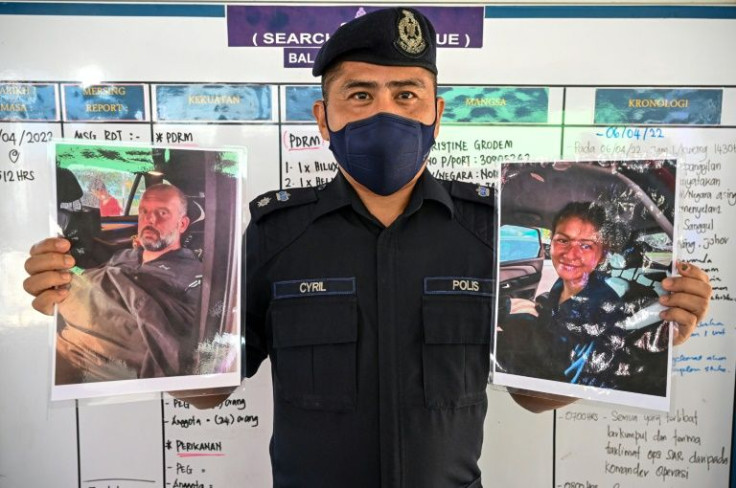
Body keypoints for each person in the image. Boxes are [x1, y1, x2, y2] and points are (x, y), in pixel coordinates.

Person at [24, 8, 712, 487]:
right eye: (360, 94)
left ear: (436, 112)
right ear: (324, 117)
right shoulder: (273, 237)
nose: (386, 112)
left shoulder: (482, 234)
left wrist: (657, 335)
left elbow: (534, 398)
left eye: (407, 93)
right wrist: (78, 303)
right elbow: (210, 392)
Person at [498, 201, 671, 394]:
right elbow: (554, 313)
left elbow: (560, 372)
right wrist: (533, 307)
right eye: (563, 241)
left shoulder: (604, 306)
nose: (571, 254)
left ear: (602, 256)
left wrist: (514, 324)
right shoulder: (560, 286)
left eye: (586, 246)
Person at [46, 183, 203, 383]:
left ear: (182, 224)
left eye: (162, 213)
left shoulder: (191, 274)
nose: (150, 219)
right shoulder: (126, 255)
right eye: (144, 211)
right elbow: (90, 281)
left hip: (101, 367)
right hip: (63, 338)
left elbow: (176, 340)